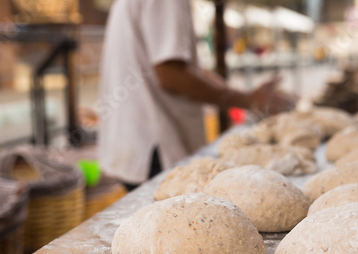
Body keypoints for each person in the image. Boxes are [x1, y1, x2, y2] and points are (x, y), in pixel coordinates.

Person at [97, 0, 295, 191]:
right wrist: (247, 100)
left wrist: (247, 96)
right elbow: (170, 74)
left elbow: (186, 69)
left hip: (132, 145)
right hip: (151, 149)